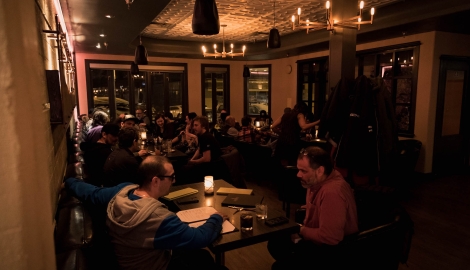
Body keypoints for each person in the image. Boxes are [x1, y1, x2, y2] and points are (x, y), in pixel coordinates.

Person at [64, 155, 226, 270]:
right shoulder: (158, 218)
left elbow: (92, 193)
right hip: (156, 265)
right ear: (155, 180)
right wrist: (216, 218)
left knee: (201, 258)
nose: (174, 181)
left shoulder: (123, 190)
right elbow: (199, 238)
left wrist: (69, 181)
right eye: (171, 177)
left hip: (127, 261)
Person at [267, 146, 358, 269]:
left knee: (279, 266)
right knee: (275, 242)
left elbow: (330, 237)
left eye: (304, 171)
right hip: (316, 240)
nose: (298, 174)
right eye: (299, 170)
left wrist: (301, 230)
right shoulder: (316, 181)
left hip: (332, 252)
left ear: (320, 170)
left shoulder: (332, 192)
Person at [182, 116, 222, 183]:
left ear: (203, 126)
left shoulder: (206, 137)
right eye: (194, 125)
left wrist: (193, 162)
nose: (194, 127)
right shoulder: (201, 135)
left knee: (183, 170)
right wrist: (192, 159)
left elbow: (207, 159)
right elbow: (199, 149)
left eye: (196, 125)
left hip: (213, 166)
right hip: (210, 164)